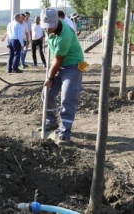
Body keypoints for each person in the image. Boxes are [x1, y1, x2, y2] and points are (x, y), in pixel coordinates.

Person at [40, 8, 84, 145]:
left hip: (74, 65)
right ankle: (51, 122)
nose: (47, 30)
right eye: (45, 27)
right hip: (59, 63)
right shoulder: (48, 28)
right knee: (47, 93)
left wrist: (50, 78)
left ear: (57, 21)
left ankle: (65, 132)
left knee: (68, 97)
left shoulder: (65, 35)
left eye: (50, 27)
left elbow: (58, 60)